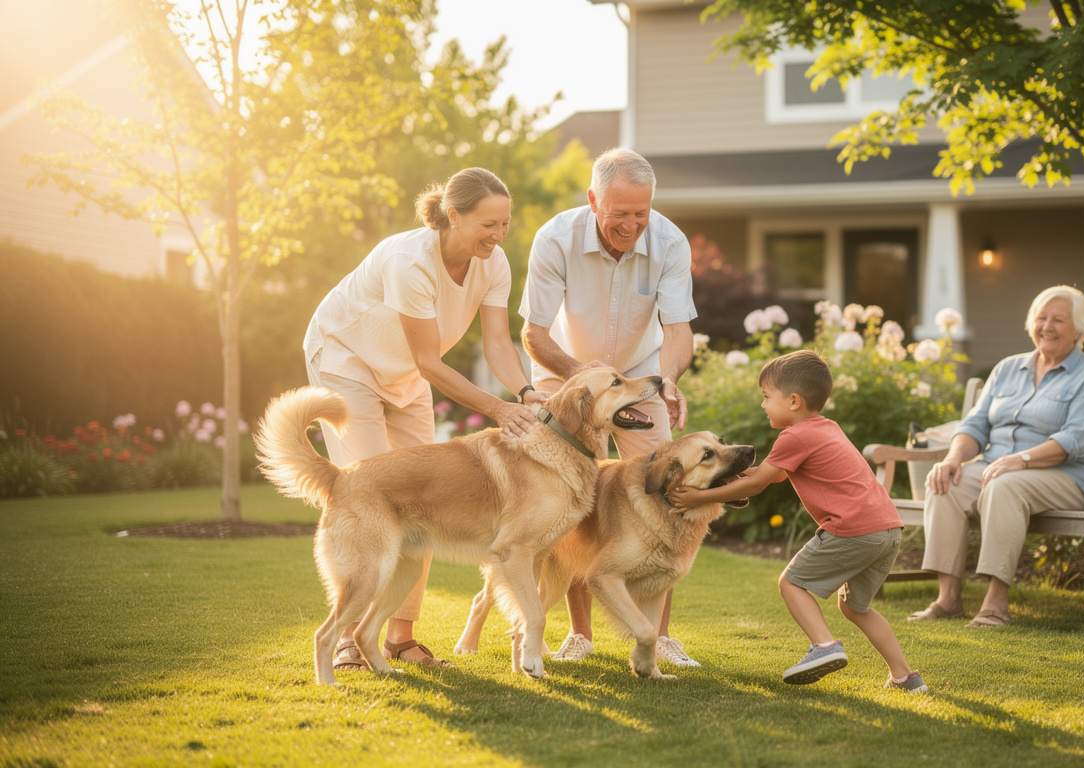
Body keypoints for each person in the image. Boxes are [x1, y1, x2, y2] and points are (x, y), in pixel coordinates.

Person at [302, 167, 544, 671]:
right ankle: (348, 639)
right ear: (453, 216)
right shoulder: (409, 261)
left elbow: (498, 342)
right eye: (488, 225)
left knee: (427, 495)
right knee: (374, 495)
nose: (499, 236)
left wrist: (523, 391)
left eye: (505, 224)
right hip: (346, 360)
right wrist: (497, 409)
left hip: (405, 376)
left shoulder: (493, 263)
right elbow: (431, 362)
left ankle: (399, 639)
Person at [518, 148, 700, 666]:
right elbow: (533, 333)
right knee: (573, 494)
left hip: (641, 379)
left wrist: (667, 379)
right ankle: (580, 634)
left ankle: (660, 636)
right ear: (593, 199)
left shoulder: (669, 242)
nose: (631, 225)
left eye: (640, 213)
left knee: (667, 486)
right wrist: (591, 386)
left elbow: (678, 328)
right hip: (566, 372)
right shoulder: (555, 239)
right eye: (619, 213)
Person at [667, 350, 928, 692]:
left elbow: (758, 484)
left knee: (791, 583)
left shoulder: (795, 436)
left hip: (853, 528)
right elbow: (770, 476)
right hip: (887, 529)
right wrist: (734, 477)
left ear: (793, 401)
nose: (762, 405)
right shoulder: (825, 429)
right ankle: (906, 677)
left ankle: (824, 646)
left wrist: (698, 497)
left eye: (766, 397)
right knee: (855, 607)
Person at [908, 284, 1084, 627]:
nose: (1047, 326)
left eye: (1058, 320)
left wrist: (1022, 460)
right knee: (945, 483)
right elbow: (974, 426)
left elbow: (1077, 439)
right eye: (1040, 317)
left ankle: (995, 604)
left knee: (1005, 485)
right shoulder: (1007, 368)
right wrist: (953, 459)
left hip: (1069, 476)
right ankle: (948, 600)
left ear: (1079, 330)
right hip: (999, 468)